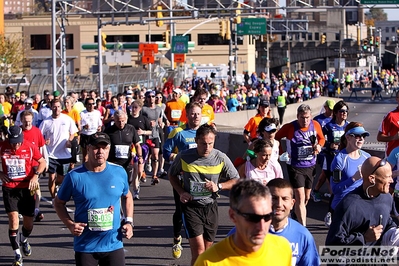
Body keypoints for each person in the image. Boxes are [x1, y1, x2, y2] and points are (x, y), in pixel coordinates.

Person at [54, 132, 134, 266]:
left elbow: (127, 196)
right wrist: (70, 224)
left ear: (109, 149)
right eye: (96, 147)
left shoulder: (119, 172)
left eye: (104, 148)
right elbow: (58, 203)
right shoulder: (74, 176)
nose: (100, 151)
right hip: (85, 246)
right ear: (88, 148)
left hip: (113, 244)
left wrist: (129, 222)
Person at [169, 124, 240, 265]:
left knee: (208, 251)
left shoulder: (220, 158)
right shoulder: (184, 156)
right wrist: (181, 192)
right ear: (196, 141)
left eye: (210, 143)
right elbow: (172, 175)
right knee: (199, 251)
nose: (207, 147)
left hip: (210, 207)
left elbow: (236, 179)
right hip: (191, 207)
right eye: (203, 144)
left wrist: (218, 186)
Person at [194, 179, 292, 266]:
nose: (261, 226)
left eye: (267, 217)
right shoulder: (208, 262)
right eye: (252, 217)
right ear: (233, 216)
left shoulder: (283, 248)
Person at [326, 156, 399, 247]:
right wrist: (364, 238)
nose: (391, 181)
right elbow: (332, 247)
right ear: (372, 179)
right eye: (387, 177)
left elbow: (385, 219)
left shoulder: (387, 198)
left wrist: (393, 232)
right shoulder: (349, 206)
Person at [0, 126, 46, 266]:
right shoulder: (2, 146)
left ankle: (24, 240)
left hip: (27, 187)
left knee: (28, 222)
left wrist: (36, 176)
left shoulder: (30, 146)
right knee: (14, 219)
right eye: (13, 142)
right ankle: (17, 254)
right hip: (10, 187)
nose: (16, 145)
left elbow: (42, 162)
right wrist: (0, 173)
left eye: (18, 142)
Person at [163, 102, 203, 259]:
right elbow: (166, 152)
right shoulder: (178, 132)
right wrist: (178, 158)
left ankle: (199, 243)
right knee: (181, 211)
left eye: (198, 114)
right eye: (192, 113)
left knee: (201, 210)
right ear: (187, 115)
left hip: (200, 179)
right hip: (181, 179)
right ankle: (176, 239)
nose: (195, 116)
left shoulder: (205, 132)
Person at [275, 104, 325, 226]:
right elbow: (276, 137)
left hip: (310, 165)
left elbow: (322, 138)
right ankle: (303, 228)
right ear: (297, 117)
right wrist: (282, 153)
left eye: (307, 117)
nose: (305, 121)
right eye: (302, 118)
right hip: (295, 166)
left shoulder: (315, 125)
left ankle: (296, 215)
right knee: (300, 197)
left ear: (311, 116)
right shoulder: (290, 127)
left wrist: (319, 146)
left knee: (306, 198)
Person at [267, 179, 320, 266]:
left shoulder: (303, 235)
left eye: (285, 199)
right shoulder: (245, 232)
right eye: (274, 198)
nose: (279, 204)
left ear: (292, 204)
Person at [329, 122, 371, 220]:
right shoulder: (340, 159)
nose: (361, 139)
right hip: (342, 207)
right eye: (357, 136)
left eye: (364, 136)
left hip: (360, 206)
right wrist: (353, 179)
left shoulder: (367, 157)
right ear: (348, 137)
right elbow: (335, 189)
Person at [39, 99, 78, 202]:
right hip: (51, 154)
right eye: (54, 107)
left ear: (61, 108)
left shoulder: (67, 119)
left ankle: (56, 185)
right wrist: (44, 141)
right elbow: (39, 136)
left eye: (58, 107)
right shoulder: (46, 122)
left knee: (61, 178)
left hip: (64, 155)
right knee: (51, 178)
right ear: (51, 107)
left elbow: (73, 132)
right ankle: (53, 199)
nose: (56, 109)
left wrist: (69, 141)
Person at [312, 100, 348, 203]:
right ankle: (333, 206)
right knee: (332, 181)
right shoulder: (328, 126)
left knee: (341, 181)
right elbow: (319, 139)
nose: (344, 113)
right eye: (342, 111)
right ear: (336, 113)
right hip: (330, 158)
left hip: (344, 158)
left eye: (346, 111)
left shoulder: (348, 126)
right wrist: (329, 144)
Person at [104, 110, 143, 199]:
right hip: (113, 162)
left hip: (127, 163)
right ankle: (117, 205)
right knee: (115, 184)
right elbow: (104, 146)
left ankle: (123, 202)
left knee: (126, 183)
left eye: (122, 121)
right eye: (118, 121)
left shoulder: (131, 129)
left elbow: (137, 144)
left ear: (125, 119)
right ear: (114, 120)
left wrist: (140, 156)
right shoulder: (109, 130)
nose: (121, 123)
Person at [20, 110, 49, 222]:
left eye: (29, 121)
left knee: (35, 187)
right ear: (21, 120)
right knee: (23, 189)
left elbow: (42, 147)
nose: (27, 124)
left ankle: (36, 209)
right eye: (25, 121)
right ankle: (23, 209)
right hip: (22, 165)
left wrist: (46, 161)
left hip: (35, 165)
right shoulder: (18, 132)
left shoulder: (36, 131)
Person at [142, 90, 164, 185]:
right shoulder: (143, 109)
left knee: (155, 155)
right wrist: (147, 123)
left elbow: (159, 119)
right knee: (143, 155)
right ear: (146, 98)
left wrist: (161, 123)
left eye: (153, 96)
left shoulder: (159, 109)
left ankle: (154, 175)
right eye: (149, 96)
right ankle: (142, 171)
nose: (151, 98)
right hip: (145, 135)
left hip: (155, 134)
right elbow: (140, 120)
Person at [377, 90, 399, 156]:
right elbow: (379, 137)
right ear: (397, 99)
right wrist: (394, 137)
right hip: (392, 158)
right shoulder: (391, 115)